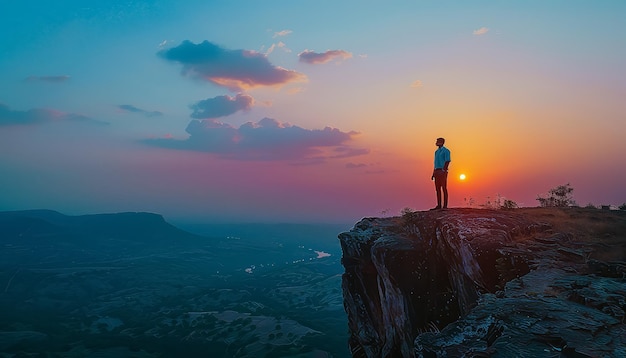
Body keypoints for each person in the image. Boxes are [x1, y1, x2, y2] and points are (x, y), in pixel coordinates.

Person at [431, 137, 451, 210]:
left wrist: (443, 170)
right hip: (437, 171)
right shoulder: (436, 152)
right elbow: (435, 163)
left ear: (441, 142)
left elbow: (447, 161)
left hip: (442, 171)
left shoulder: (446, 151)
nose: (436, 142)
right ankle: (439, 205)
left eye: (437, 141)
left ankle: (445, 206)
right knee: (437, 189)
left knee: (444, 188)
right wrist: (433, 173)